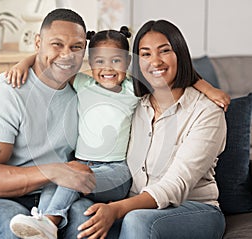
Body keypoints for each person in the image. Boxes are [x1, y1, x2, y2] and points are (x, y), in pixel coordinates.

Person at [75, 19, 227, 239]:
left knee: (136, 220)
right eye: (145, 54)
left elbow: (176, 185)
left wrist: (118, 209)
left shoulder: (207, 111)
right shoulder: (135, 103)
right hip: (133, 207)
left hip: (193, 209)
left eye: (164, 51)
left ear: (180, 55)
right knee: (81, 213)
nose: (155, 61)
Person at [0, 8, 96, 239]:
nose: (66, 55)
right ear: (38, 42)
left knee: (90, 225)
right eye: (56, 44)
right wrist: (55, 171)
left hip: (58, 196)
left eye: (76, 47)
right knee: (18, 232)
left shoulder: (83, 91)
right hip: (0, 200)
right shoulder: (4, 93)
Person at [9, 27, 137, 239]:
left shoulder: (134, 89)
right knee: (54, 181)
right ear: (90, 63)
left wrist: (209, 88)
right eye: (99, 62)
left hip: (116, 173)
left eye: (116, 61)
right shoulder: (83, 83)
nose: (108, 68)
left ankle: (50, 223)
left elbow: (177, 78)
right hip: (80, 164)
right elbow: (48, 62)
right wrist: (24, 62)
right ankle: (40, 222)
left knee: (73, 175)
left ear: (128, 62)